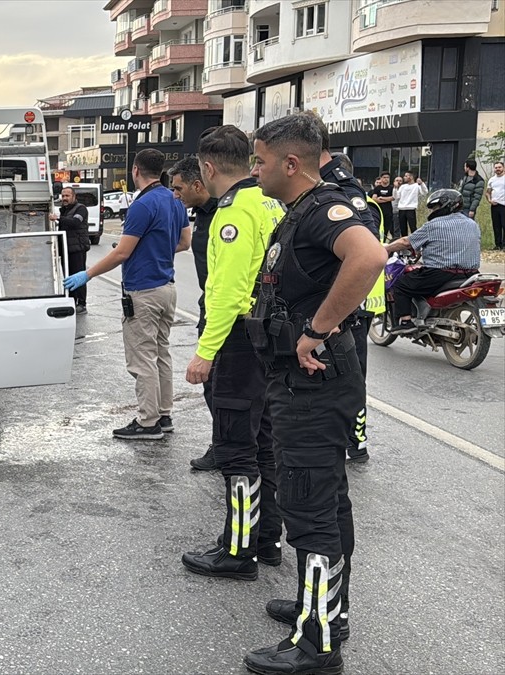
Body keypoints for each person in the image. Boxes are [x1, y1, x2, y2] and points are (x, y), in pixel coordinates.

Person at [244, 113, 386, 675]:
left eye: (259, 160)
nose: (254, 169)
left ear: (290, 163)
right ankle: (324, 609)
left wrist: (317, 330)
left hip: (314, 379)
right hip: (305, 378)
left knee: (308, 505)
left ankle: (317, 644)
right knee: (325, 499)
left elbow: (369, 257)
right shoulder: (299, 211)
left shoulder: (325, 209)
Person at [181, 126, 284, 580]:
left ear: (207, 167)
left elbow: (225, 292)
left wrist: (205, 353)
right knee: (263, 443)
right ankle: (266, 539)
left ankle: (239, 551)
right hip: (267, 337)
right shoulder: (269, 201)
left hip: (237, 340)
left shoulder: (234, 212)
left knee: (235, 449)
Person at [64, 148, 190, 440]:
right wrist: (154, 251)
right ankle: (164, 413)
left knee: (142, 357)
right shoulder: (174, 200)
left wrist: (88, 273)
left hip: (143, 291)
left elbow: (122, 252)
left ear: (135, 170)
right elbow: (184, 242)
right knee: (160, 353)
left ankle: (148, 422)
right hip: (167, 288)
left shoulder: (142, 206)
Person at [314, 135, 383, 465]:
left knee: (350, 375)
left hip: (350, 304)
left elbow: (367, 247)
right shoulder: (342, 189)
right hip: (348, 302)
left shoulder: (346, 192)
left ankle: (356, 442)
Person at [168, 154, 220, 471]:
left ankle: (233, 448)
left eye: (178, 188)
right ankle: (224, 442)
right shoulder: (202, 212)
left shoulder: (227, 214)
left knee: (223, 386)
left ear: (197, 184)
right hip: (209, 305)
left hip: (227, 312)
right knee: (214, 388)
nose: (175, 195)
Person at [384, 189, 481, 334]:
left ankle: (405, 321)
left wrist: (386, 248)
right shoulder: (472, 224)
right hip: (471, 274)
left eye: (435, 207)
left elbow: (405, 242)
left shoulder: (434, 225)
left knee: (401, 285)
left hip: (440, 274)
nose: (434, 210)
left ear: (446, 206)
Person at [51, 186, 90, 313]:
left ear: (74, 197)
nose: (64, 198)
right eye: (63, 196)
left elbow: (75, 222)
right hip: (66, 248)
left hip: (77, 248)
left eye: (67, 196)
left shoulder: (81, 209)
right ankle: (72, 300)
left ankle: (82, 303)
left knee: (79, 275)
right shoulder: (64, 210)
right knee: (68, 275)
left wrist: (58, 218)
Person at [396, 172, 423, 237]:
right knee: (403, 228)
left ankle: (415, 242)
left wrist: (421, 184)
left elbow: (424, 192)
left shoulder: (417, 186)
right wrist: (395, 188)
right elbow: (397, 196)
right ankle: (404, 242)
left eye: (406, 176)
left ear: (411, 177)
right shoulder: (403, 186)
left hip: (411, 209)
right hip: (401, 209)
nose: (404, 177)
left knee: (413, 227)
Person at [368, 173, 393, 240]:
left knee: (386, 228)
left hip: (388, 211)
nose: (386, 179)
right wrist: (387, 199)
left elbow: (393, 198)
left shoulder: (391, 188)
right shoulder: (377, 188)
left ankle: (384, 240)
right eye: (384, 177)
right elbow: (374, 199)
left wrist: (382, 198)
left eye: (387, 177)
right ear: (381, 178)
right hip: (379, 211)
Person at [488, 161, 505, 250]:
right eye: (496, 167)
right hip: (494, 205)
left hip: (504, 205)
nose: (498, 169)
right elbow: (488, 192)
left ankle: (504, 245)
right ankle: (498, 245)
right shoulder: (492, 180)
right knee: (496, 225)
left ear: (503, 168)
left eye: (499, 167)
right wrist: (489, 200)